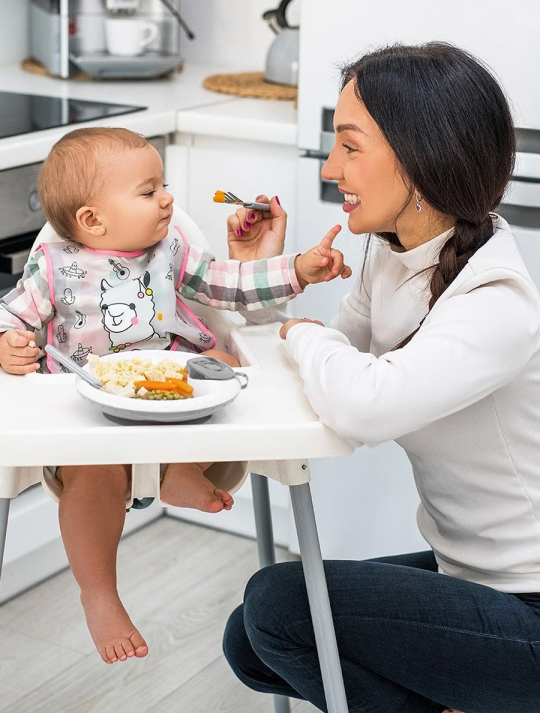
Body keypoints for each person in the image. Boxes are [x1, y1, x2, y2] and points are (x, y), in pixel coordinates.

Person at [223, 43, 540, 713]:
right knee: (249, 638)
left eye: (349, 146)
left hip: (531, 604)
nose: (334, 167)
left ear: (421, 155)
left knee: (280, 609)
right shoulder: (391, 255)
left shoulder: (497, 301)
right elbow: (323, 376)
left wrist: (303, 335)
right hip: (474, 578)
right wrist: (265, 288)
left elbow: (361, 403)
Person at [0, 127, 351, 665]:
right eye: (148, 191)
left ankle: (184, 470)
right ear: (93, 219)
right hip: (93, 408)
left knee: (230, 372)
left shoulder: (174, 251)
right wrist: (9, 344)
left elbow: (230, 284)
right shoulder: (51, 267)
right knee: (91, 475)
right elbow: (12, 316)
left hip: (179, 391)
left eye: (163, 185)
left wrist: (296, 270)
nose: (168, 199)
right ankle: (98, 592)